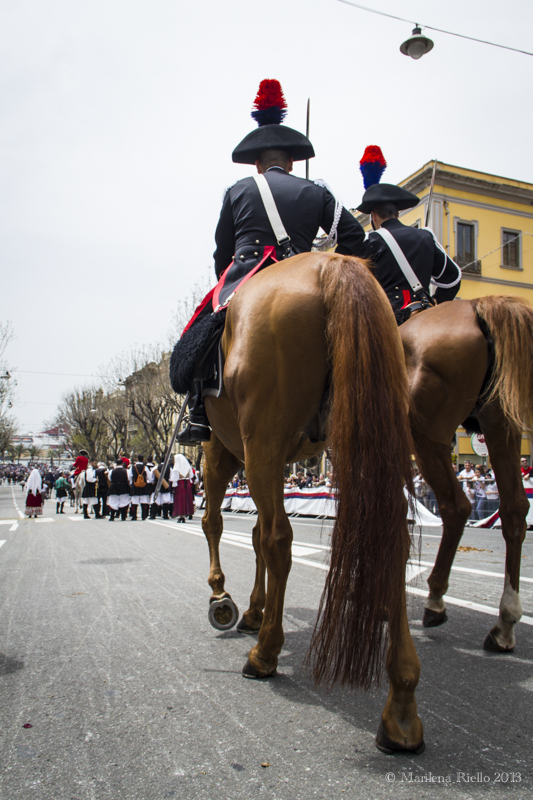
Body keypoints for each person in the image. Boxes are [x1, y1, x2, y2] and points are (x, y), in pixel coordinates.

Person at [177, 79, 366, 445]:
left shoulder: (238, 190)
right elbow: (355, 240)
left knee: (205, 333)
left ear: (258, 163)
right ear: (292, 162)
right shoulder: (317, 191)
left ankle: (199, 411)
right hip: (304, 272)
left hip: (246, 274)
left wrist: (226, 281)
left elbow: (221, 252)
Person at [357, 146, 461, 323]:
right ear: (397, 213)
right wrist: (436, 301)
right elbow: (453, 277)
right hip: (424, 317)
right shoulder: (425, 236)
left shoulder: (370, 241)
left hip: (386, 323)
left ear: (373, 216)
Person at [170, 454, 195, 522]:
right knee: (186, 499)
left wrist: (173, 486)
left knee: (180, 499)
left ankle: (180, 515)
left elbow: (174, 478)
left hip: (180, 484)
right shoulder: (188, 467)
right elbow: (191, 476)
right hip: (187, 484)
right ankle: (185, 514)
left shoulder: (176, 468)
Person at [128, 456, 152, 521]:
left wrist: (131, 483)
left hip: (135, 486)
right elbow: (149, 478)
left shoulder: (132, 467)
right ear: (143, 459)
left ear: (137, 459)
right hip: (143, 487)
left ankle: (134, 516)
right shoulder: (145, 467)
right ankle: (144, 516)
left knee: (134, 502)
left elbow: (129, 476)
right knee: (144, 502)